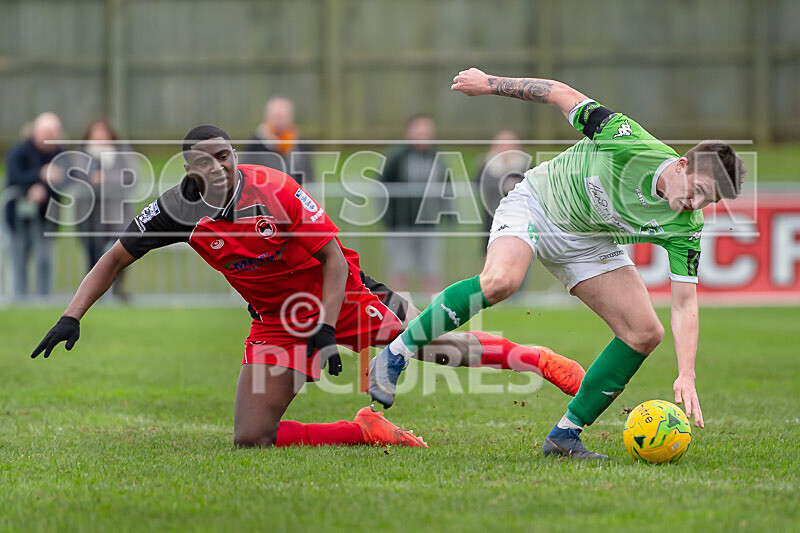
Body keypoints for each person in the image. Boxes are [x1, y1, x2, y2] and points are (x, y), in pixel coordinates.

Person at [31, 124, 585, 449]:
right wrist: (72, 315)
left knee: (435, 345)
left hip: (338, 295)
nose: (224, 166)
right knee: (251, 437)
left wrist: (323, 328)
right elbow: (114, 258)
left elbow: (331, 260)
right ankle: (361, 430)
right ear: (192, 169)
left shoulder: (275, 189)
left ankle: (533, 358)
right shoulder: (176, 210)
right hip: (274, 319)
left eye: (228, 155)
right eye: (211, 160)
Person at [370, 68, 746, 460]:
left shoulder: (687, 225)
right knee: (501, 281)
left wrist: (687, 373)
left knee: (644, 332)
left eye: (709, 202)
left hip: (587, 239)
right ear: (684, 165)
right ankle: (396, 353)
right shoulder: (627, 139)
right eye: (699, 191)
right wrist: (489, 84)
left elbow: (685, 304)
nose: (696, 204)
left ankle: (565, 435)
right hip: (538, 203)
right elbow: (558, 92)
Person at [74, 118, 138, 298]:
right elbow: (77, 178)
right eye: (96, 133)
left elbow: (132, 177)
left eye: (104, 133)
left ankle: (118, 291)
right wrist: (92, 180)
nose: (100, 137)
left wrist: (106, 178)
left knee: (121, 252)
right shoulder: (81, 155)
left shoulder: (122, 152)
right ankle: (92, 294)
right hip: (89, 214)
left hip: (117, 213)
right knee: (92, 255)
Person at [381, 114, 445, 293]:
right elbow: (382, 187)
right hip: (400, 225)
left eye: (427, 132)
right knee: (400, 270)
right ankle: (399, 314)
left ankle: (437, 315)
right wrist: (388, 217)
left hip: (428, 225)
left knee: (431, 270)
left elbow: (445, 186)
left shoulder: (436, 158)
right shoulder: (396, 158)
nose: (423, 136)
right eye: (419, 132)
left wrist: (445, 212)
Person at [4, 112, 65, 297]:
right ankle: (20, 298)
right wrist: (38, 177)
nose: (50, 135)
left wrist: (49, 186)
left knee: (44, 259)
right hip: (18, 217)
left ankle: (44, 299)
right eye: (47, 131)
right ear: (36, 131)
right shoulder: (19, 151)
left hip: (47, 216)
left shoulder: (60, 153)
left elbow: (68, 179)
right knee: (19, 259)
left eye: (54, 132)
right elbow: (14, 177)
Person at [240, 97, 315, 185]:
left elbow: (308, 177)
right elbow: (246, 175)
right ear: (267, 117)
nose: (279, 120)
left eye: (282, 116)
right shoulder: (255, 144)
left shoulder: (299, 143)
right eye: (276, 116)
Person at [475, 130, 529, 234]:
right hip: (492, 218)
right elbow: (480, 183)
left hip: (520, 219)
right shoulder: (485, 166)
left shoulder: (526, 165)